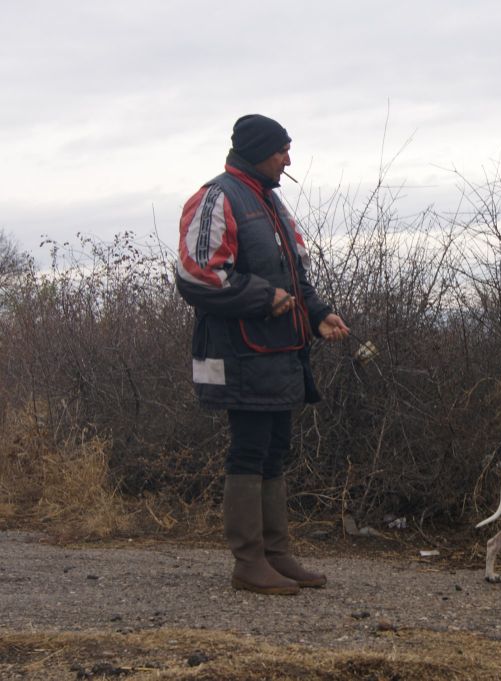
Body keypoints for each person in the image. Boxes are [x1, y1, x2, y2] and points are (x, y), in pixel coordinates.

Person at [175, 114, 349, 595]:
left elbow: (293, 275)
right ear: (257, 151)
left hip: (279, 353)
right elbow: (197, 276)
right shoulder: (218, 197)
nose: (288, 159)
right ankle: (248, 563)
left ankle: (276, 555)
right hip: (240, 355)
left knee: (275, 451)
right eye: (281, 150)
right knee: (249, 452)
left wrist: (318, 313)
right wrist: (261, 298)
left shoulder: (269, 201)